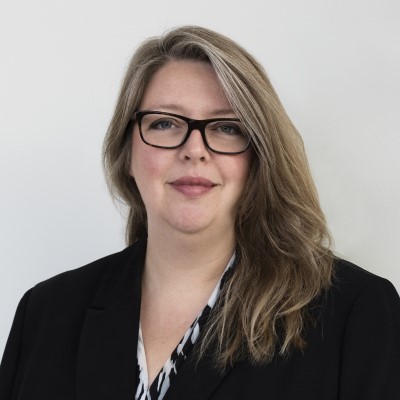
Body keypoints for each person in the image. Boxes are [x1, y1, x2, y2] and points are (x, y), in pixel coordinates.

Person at [1, 25, 399, 400]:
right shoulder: (47, 313)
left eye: (227, 128)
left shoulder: (356, 313)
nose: (194, 149)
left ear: (259, 157)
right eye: (164, 124)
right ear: (126, 153)